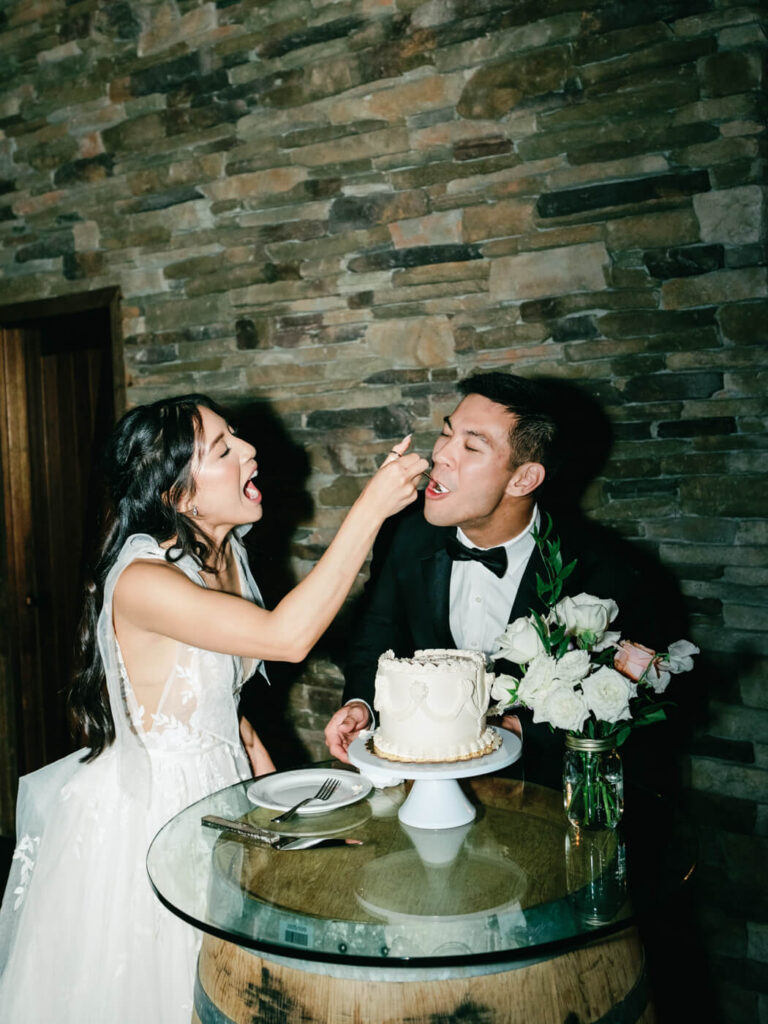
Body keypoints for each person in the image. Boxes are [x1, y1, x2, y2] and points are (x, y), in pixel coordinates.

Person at [0, 394, 428, 1023]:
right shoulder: (145, 580)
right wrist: (371, 510)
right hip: (148, 819)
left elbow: (225, 709)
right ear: (178, 494)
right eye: (223, 449)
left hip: (219, 793)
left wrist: (279, 806)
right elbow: (287, 637)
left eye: (238, 438)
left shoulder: (226, 557)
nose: (250, 450)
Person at [324, 372, 681, 787]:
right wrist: (361, 703)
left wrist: (518, 732)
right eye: (446, 432)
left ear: (524, 479)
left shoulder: (602, 572)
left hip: (545, 792)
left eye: (471, 446)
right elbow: (376, 632)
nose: (441, 454)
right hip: (427, 784)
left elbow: (623, 703)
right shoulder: (405, 534)